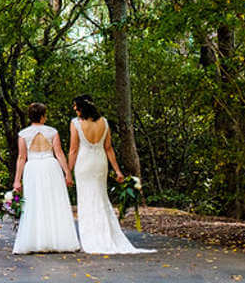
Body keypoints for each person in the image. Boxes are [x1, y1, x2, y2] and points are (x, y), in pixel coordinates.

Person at [69, 94, 155, 254]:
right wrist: (117, 170)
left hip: (84, 162)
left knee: (86, 198)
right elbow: (108, 148)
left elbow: (73, 149)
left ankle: (92, 238)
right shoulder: (104, 122)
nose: (74, 109)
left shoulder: (76, 123)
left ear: (82, 107)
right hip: (101, 162)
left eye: (76, 106)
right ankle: (105, 235)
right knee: (100, 197)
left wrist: (67, 171)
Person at [12, 102, 80, 254]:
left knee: (35, 203)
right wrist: (67, 172)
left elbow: (22, 158)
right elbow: (59, 153)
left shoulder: (23, 134)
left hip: (33, 168)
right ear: (43, 116)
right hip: (51, 167)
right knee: (54, 202)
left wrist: (17, 180)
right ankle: (58, 240)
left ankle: (36, 241)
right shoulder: (52, 131)